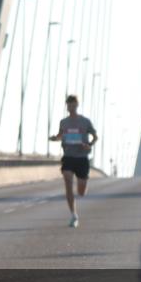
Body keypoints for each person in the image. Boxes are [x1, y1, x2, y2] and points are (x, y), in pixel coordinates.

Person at [49, 95, 97, 228]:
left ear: (77, 105)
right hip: (68, 156)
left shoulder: (85, 121)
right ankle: (74, 215)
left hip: (82, 158)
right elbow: (60, 135)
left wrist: (90, 144)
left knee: (81, 191)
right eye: (69, 105)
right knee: (67, 179)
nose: (71, 107)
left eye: (73, 105)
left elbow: (95, 136)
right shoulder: (63, 122)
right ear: (67, 106)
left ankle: (81, 188)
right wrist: (55, 138)